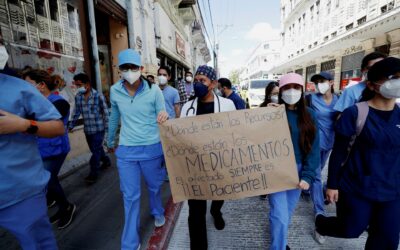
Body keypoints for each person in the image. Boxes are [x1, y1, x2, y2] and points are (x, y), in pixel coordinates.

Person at [315, 57, 400, 249]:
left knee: (387, 239)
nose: (397, 82)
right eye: (393, 77)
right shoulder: (355, 113)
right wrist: (332, 185)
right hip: (357, 186)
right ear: (372, 85)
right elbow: (338, 152)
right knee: (351, 229)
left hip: (392, 190)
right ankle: (321, 223)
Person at [0, 40, 64, 249]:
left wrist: (23, 124)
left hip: (20, 190)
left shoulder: (20, 90)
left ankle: (65, 206)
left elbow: (58, 127)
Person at [107, 49, 169, 250]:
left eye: (133, 67)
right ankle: (130, 243)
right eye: (125, 68)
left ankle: (157, 211)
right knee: (130, 196)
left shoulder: (154, 90)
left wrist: (162, 115)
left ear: (141, 69)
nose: (129, 71)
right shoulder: (115, 90)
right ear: (119, 70)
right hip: (126, 151)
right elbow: (114, 117)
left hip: (151, 148)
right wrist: (110, 141)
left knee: (154, 186)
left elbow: (162, 111)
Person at [181, 65, 236, 250]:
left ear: (212, 83)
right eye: (195, 80)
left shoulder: (227, 105)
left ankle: (216, 210)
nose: (197, 84)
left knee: (219, 194)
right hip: (196, 167)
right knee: (195, 212)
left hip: (219, 163)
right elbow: (179, 137)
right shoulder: (187, 108)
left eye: (202, 80)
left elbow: (236, 132)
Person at [267, 73, 319, 250]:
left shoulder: (310, 115)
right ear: (280, 91)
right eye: (287, 88)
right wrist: (267, 114)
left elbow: (313, 148)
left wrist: (308, 175)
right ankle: (278, 247)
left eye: (296, 88)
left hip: (298, 172)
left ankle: (279, 240)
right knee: (279, 216)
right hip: (276, 170)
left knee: (285, 214)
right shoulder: (272, 112)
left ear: (302, 90)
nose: (291, 91)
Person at [23, 69, 76, 229]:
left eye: (28, 84)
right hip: (40, 149)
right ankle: (59, 204)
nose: (24, 88)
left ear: (41, 85)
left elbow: (48, 125)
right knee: (47, 180)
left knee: (49, 179)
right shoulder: (34, 103)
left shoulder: (59, 102)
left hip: (55, 149)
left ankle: (67, 207)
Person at [306, 72, 338, 230]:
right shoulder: (310, 99)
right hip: (313, 144)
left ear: (331, 82)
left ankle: (317, 189)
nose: (319, 84)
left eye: (322, 81)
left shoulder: (339, 99)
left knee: (320, 171)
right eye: (316, 82)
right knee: (317, 176)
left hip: (330, 143)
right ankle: (319, 210)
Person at [68, 73, 111, 184]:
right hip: (88, 130)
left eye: (79, 85)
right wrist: (71, 125)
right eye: (76, 85)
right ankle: (106, 161)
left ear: (87, 84)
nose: (78, 87)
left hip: (98, 130)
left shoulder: (98, 95)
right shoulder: (78, 97)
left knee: (95, 152)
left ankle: (93, 174)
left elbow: (106, 113)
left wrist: (107, 130)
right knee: (96, 149)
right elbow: (76, 112)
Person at [258, 81, 280, 200]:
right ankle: (264, 187)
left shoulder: (285, 107)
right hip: (266, 145)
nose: (276, 96)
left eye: (278, 93)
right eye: (274, 94)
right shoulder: (262, 107)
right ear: (268, 95)